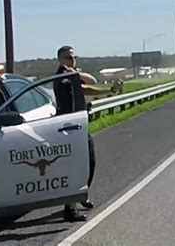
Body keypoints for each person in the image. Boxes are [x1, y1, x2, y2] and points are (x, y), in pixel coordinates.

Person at [55, 45, 121, 221]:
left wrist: (108, 91)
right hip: (68, 128)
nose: (73, 61)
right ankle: (70, 208)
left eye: (74, 57)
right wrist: (73, 73)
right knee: (74, 166)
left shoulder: (73, 75)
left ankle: (81, 195)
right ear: (60, 60)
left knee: (89, 162)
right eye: (69, 58)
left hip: (80, 125)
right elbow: (88, 86)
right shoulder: (63, 77)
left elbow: (89, 83)